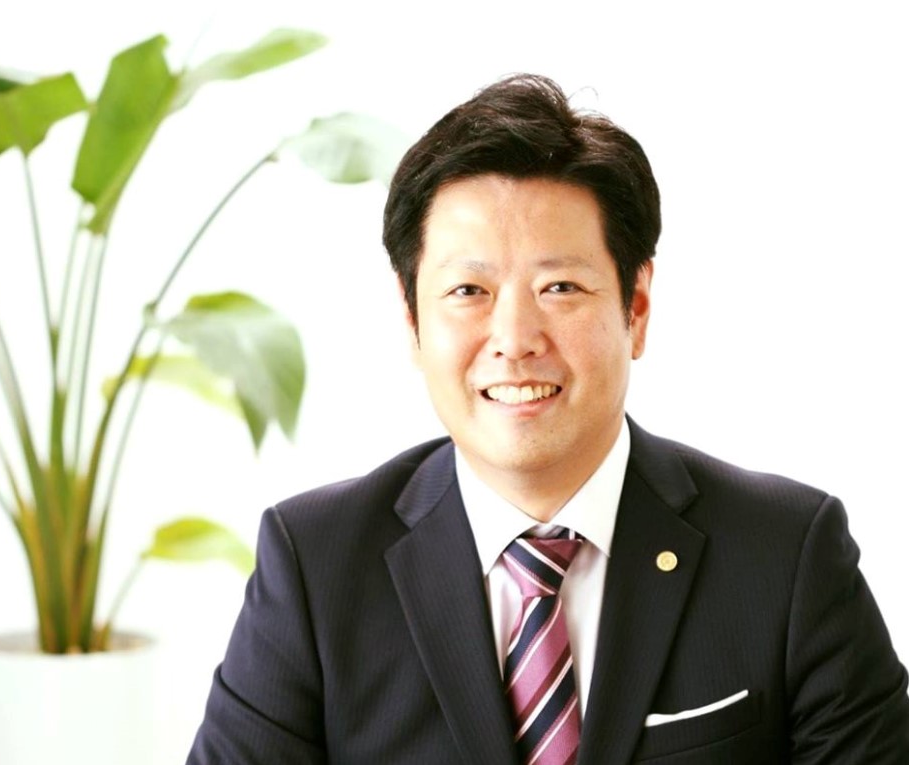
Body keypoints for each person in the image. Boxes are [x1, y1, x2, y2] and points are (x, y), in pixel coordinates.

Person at [186, 74, 909, 764]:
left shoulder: (786, 556)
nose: (514, 338)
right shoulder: (314, 567)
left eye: (559, 286)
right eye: (468, 290)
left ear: (636, 309)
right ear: (411, 321)